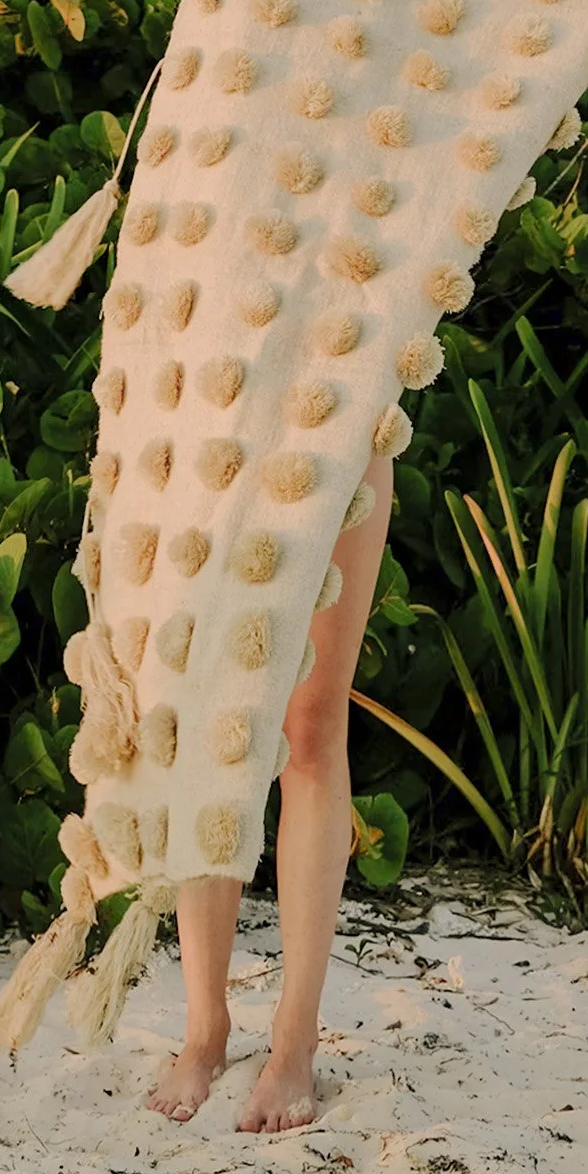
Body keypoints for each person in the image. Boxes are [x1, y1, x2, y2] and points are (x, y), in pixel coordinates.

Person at [143, 450, 394, 1131]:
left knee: (311, 727)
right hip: (215, 421)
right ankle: (205, 1027)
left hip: (337, 409)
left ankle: (295, 1035)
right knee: (204, 724)